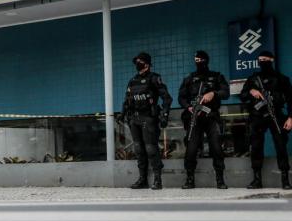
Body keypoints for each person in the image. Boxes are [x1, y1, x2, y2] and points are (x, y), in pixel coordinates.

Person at [118, 52, 172, 190]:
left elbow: (167, 98)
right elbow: (127, 100)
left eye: (140, 61)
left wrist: (165, 115)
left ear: (147, 64)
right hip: (134, 119)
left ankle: (157, 180)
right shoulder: (132, 80)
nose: (137, 63)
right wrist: (122, 114)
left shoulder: (154, 78)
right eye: (136, 61)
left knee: (150, 149)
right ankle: (142, 179)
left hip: (148, 118)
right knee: (138, 149)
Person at [240, 51, 292, 189]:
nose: (262, 61)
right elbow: (243, 95)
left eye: (265, 59)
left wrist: (290, 118)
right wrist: (251, 91)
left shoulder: (282, 79)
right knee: (256, 147)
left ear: (272, 60)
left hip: (276, 114)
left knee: (281, 146)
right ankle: (257, 180)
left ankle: (285, 179)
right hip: (257, 116)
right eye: (260, 59)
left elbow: (291, 100)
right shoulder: (253, 79)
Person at [178, 50, 230, 189]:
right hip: (194, 117)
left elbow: (226, 93)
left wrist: (214, 93)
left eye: (201, 60)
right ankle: (189, 179)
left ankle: (220, 179)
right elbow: (181, 97)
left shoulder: (217, 77)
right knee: (191, 149)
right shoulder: (189, 78)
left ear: (206, 60)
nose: (198, 62)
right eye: (196, 60)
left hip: (211, 117)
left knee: (216, 148)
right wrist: (188, 107)